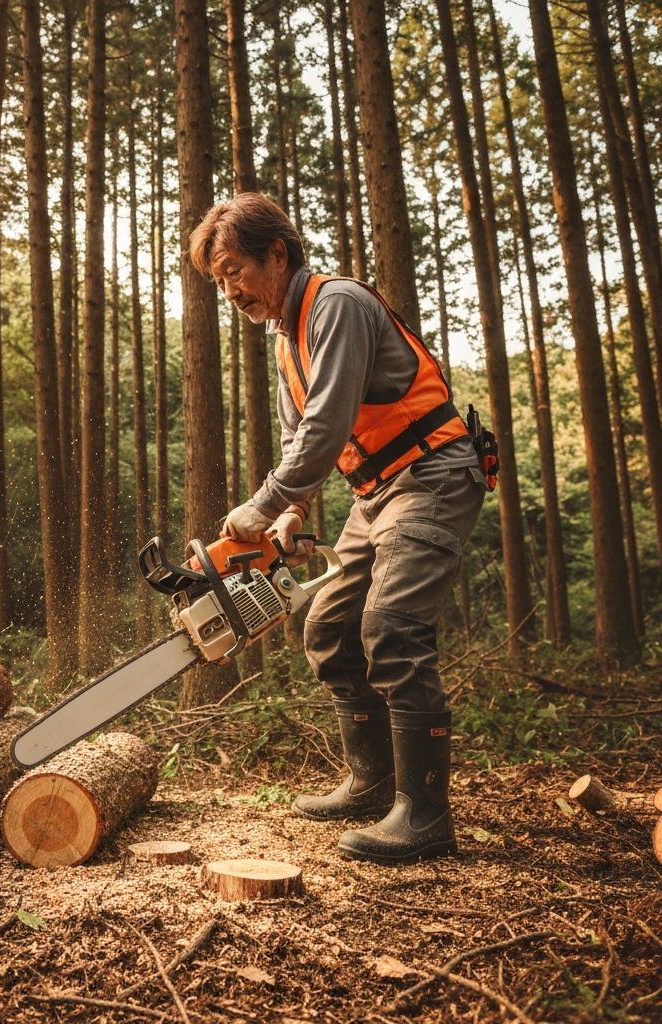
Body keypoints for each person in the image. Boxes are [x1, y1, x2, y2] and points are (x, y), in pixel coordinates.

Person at [188, 192, 488, 864]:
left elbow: (326, 424)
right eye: (219, 280)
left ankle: (425, 814)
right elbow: (302, 435)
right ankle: (372, 781)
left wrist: (261, 506)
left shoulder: (337, 304)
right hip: (376, 491)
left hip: (432, 474)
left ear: (277, 252)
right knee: (328, 628)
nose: (231, 289)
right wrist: (291, 512)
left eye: (236, 269)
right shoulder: (285, 338)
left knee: (391, 628)